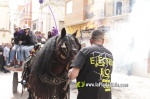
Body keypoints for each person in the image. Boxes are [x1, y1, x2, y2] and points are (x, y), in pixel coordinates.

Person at [68, 30, 113, 99]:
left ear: (91, 40)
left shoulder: (85, 51)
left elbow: (73, 76)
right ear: (103, 41)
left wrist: (69, 72)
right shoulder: (109, 54)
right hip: (106, 96)